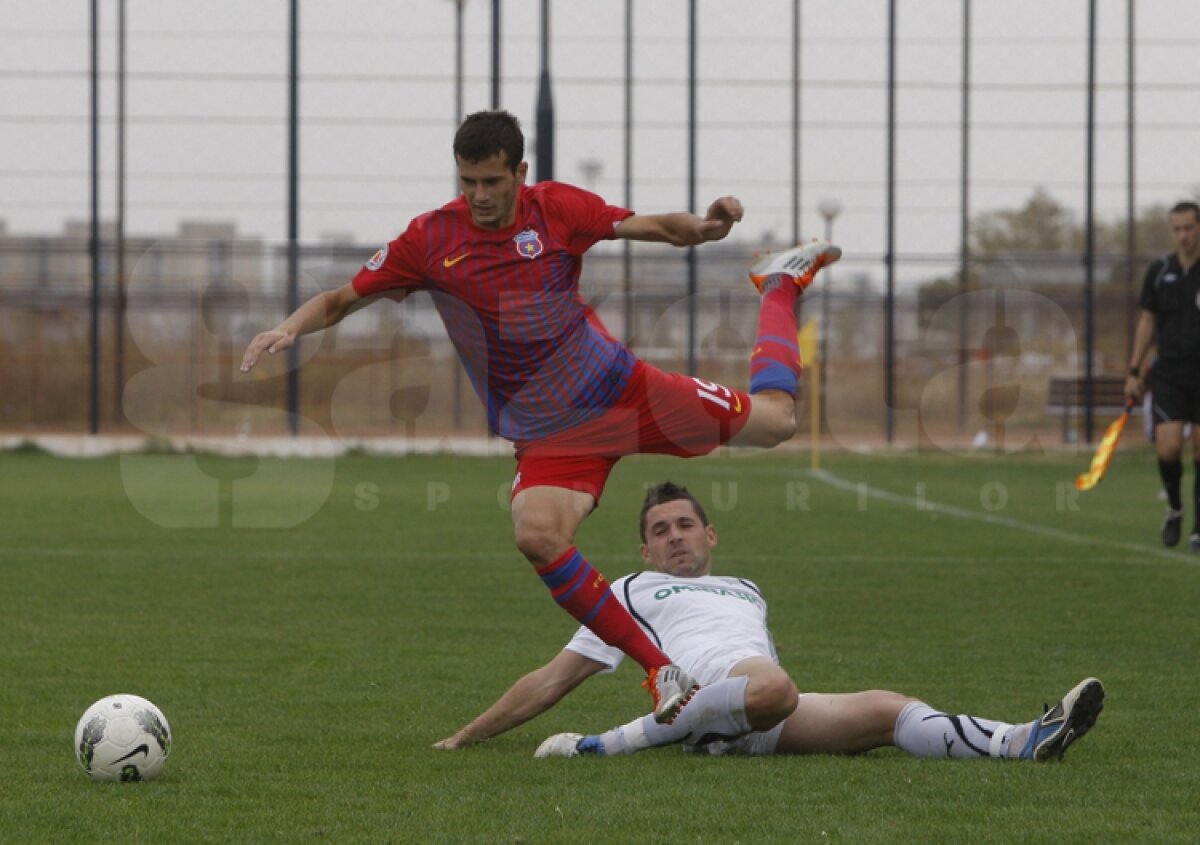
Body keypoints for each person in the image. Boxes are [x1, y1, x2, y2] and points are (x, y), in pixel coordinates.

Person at [240, 110, 841, 721]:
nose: (479, 195)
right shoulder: (430, 238)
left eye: (492, 182)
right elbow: (341, 298)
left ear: (519, 173)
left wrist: (706, 227)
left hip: (624, 394)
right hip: (551, 435)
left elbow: (655, 226)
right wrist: (289, 327)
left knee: (778, 422)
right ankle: (661, 670)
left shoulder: (556, 208)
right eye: (468, 181)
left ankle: (778, 286)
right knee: (536, 533)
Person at [434, 482, 1104, 763]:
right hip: (743, 690)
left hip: (758, 707)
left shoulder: (745, 589)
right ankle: (602, 745)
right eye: (660, 530)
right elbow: (553, 678)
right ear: (644, 550)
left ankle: (1022, 740)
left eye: (685, 524)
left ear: (711, 534)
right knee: (775, 686)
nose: (675, 536)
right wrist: (466, 736)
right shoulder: (631, 590)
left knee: (888, 708)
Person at [1126, 200, 1200, 552]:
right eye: (1177, 229)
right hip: (1169, 371)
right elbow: (1147, 321)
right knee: (1169, 447)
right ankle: (1175, 508)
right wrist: (1134, 370)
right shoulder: (1160, 271)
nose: (1183, 235)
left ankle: (1199, 529)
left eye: (1189, 228)